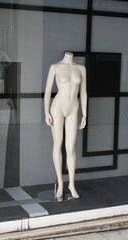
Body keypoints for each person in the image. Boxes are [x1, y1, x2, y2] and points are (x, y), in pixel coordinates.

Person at [44, 52, 87, 199]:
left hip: (73, 109)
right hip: (57, 107)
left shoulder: (81, 69)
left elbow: (84, 92)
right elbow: (48, 90)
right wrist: (46, 112)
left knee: (70, 148)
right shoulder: (55, 67)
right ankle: (61, 183)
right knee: (58, 144)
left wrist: (85, 113)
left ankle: (72, 184)